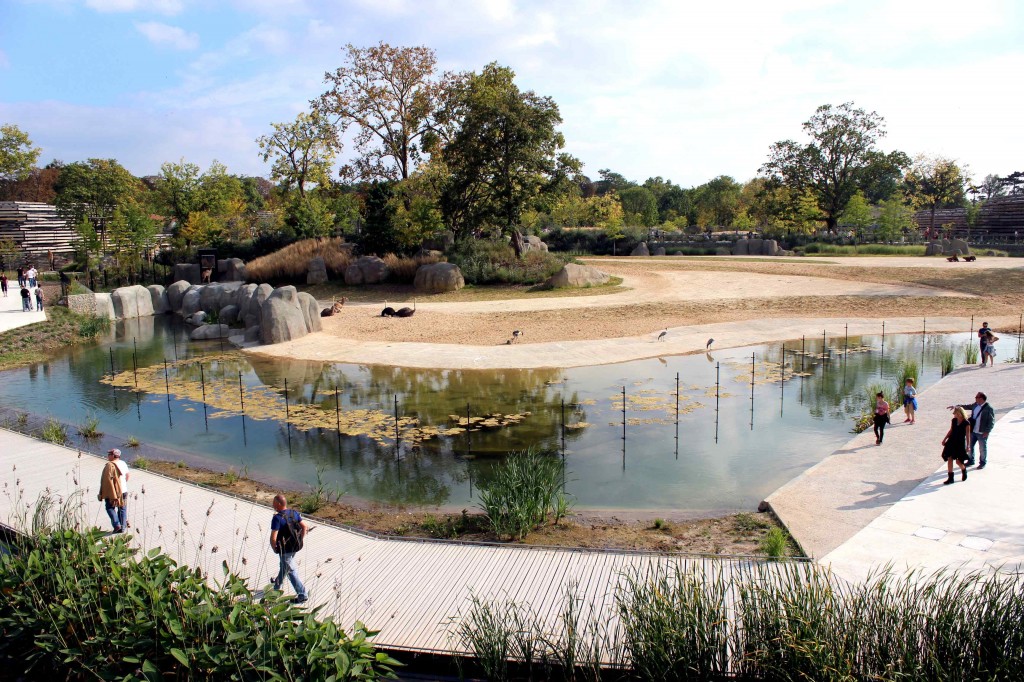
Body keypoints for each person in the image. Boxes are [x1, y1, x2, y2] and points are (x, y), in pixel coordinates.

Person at [269, 494, 308, 604]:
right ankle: (277, 585)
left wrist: (274, 548)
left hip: (284, 548)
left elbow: (273, 537)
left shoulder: (277, 518)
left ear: (279, 504)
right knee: (284, 565)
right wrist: (300, 540)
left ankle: (302, 594)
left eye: (274, 502)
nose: (272, 504)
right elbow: (305, 526)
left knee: (291, 570)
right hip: (294, 546)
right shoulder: (294, 513)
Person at [949, 392, 995, 469]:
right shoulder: (975, 405)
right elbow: (966, 406)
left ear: (981, 398)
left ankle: (982, 462)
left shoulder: (989, 408)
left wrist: (987, 431)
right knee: (969, 446)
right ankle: (971, 460)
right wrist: (956, 406)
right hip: (973, 430)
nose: (975, 398)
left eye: (976, 397)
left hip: (982, 432)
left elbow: (991, 421)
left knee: (982, 448)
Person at [940, 406, 971, 485]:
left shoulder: (966, 423)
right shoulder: (954, 420)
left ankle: (963, 470)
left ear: (959, 413)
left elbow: (968, 435)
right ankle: (950, 478)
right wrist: (945, 439)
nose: (954, 414)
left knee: (958, 461)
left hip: (960, 443)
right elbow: (951, 430)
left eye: (955, 413)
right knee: (949, 458)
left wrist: (968, 445)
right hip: (951, 441)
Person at [98, 450, 126, 533]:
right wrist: (123, 484)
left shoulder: (109, 466)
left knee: (110, 507)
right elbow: (127, 476)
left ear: (113, 456)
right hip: (124, 490)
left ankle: (117, 525)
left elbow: (106, 480)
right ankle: (122, 527)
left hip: (113, 491)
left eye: (109, 454)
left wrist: (103, 492)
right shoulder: (123, 463)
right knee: (122, 508)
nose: (108, 456)